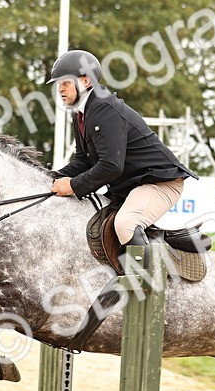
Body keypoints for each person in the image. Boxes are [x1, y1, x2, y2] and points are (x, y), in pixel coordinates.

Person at [46, 49, 197, 245]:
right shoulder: (82, 114)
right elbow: (83, 161)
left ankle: (146, 276)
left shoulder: (103, 108)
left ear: (85, 81)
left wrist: (73, 185)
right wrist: (49, 177)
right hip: (133, 185)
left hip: (160, 182)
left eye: (65, 83)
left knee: (126, 224)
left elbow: (111, 165)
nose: (60, 89)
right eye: (58, 84)